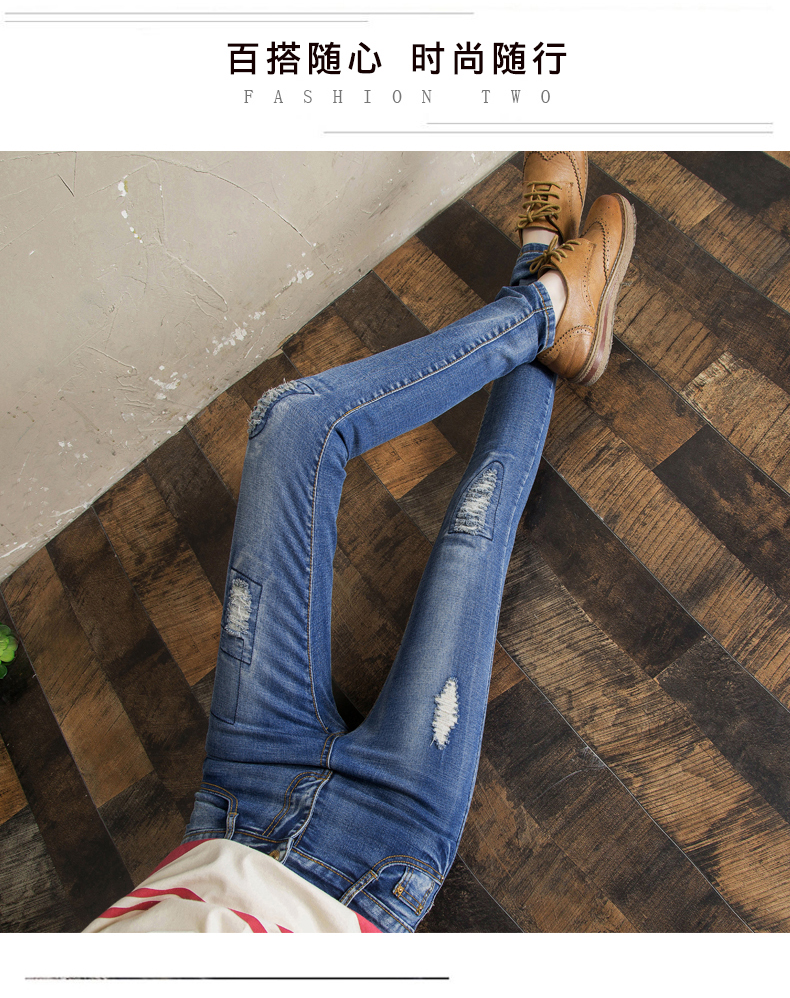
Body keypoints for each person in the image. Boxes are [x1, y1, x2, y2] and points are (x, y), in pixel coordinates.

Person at [84, 152, 635, 934]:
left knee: (292, 422)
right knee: (473, 528)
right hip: (374, 861)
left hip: (237, 794)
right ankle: (545, 278)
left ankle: (546, 299)